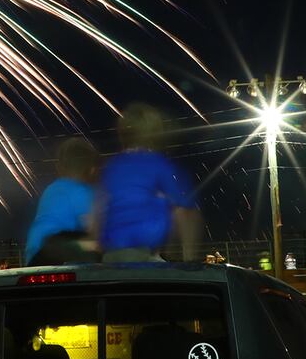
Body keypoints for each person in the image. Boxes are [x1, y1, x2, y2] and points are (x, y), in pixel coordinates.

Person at [98, 105, 200, 262]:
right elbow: (185, 212)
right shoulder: (159, 164)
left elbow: (97, 212)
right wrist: (190, 257)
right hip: (145, 256)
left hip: (111, 255)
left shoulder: (112, 166)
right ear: (155, 134)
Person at [25, 137, 101, 265]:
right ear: (91, 169)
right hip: (58, 251)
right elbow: (95, 228)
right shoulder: (84, 192)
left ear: (59, 167)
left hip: (34, 254)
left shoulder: (51, 189)